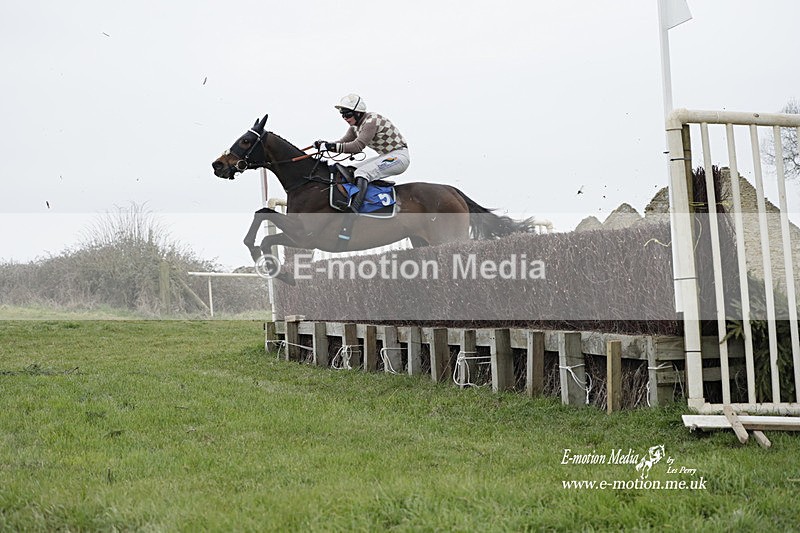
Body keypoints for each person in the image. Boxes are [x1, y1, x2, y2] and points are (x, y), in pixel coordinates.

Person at [315, 94, 410, 212]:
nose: (344, 117)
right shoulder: (355, 127)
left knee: (362, 172)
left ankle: (355, 208)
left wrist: (330, 146)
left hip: (399, 156)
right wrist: (325, 145)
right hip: (386, 155)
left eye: (348, 114)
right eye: (342, 114)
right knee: (351, 169)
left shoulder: (371, 121)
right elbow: (342, 142)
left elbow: (357, 146)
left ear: (358, 113)